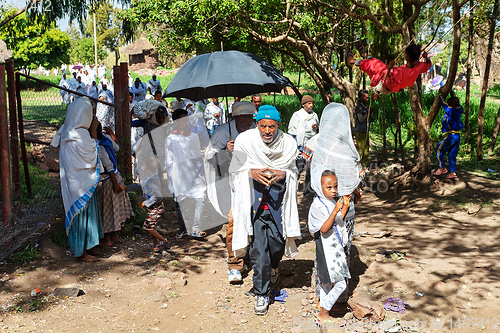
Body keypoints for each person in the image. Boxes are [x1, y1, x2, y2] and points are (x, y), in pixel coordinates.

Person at [229, 105, 301, 315]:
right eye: (263, 126)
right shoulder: (245, 141)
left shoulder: (287, 143)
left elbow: (293, 169)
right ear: (256, 124)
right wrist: (249, 173)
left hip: (278, 202)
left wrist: (283, 174)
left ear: (279, 125)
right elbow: (235, 172)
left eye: (271, 126)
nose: (267, 131)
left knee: (277, 243)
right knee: (260, 250)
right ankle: (262, 293)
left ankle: (272, 269)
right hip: (255, 203)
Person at [310, 102, 363, 316]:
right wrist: (354, 191)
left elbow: (305, 166)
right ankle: (338, 300)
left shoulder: (316, 143)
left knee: (322, 251)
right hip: (343, 205)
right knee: (343, 250)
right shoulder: (348, 147)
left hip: (321, 205)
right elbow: (358, 175)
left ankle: (320, 295)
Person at [204, 101, 256, 282]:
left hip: (253, 182)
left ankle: (249, 255)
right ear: (234, 117)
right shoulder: (222, 133)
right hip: (229, 184)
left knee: (253, 221)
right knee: (234, 220)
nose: (247, 120)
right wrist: (226, 151)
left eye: (250, 116)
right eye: (243, 117)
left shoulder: (256, 130)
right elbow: (210, 160)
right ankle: (234, 262)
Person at [50, 97, 103, 262]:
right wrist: (94, 131)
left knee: (82, 214)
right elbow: (95, 153)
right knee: (82, 215)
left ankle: (88, 247)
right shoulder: (81, 135)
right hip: (82, 185)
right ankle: (82, 252)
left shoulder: (66, 131)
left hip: (77, 185)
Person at [308, 169, 351, 325]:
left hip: (333, 248)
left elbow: (337, 220)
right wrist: (335, 210)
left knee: (327, 284)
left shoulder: (329, 201)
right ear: (319, 187)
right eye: (329, 187)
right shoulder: (318, 205)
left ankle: (322, 316)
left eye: (335, 187)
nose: (334, 191)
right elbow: (324, 228)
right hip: (326, 250)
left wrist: (344, 207)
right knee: (341, 283)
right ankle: (324, 311)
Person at [166, 109, 207, 238]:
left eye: (187, 120)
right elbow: (169, 161)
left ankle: (196, 228)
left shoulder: (194, 137)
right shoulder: (170, 139)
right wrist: (172, 179)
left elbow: (198, 157)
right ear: (176, 122)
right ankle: (183, 229)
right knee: (180, 202)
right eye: (183, 120)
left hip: (195, 174)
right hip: (179, 175)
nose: (186, 123)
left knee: (200, 198)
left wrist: (200, 173)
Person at [96, 123, 134, 246]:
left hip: (109, 180)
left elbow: (108, 167)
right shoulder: (107, 139)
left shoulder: (97, 146)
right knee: (116, 208)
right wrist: (112, 134)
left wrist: (115, 184)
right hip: (117, 176)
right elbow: (117, 148)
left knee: (107, 209)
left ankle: (106, 238)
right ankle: (115, 235)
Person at [347, 43, 431, 96]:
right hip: (391, 76)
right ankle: (365, 55)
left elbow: (386, 82)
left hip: (386, 86)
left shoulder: (401, 72)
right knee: (377, 63)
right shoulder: (418, 67)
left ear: (407, 56)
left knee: (373, 65)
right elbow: (428, 65)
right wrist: (426, 58)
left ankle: (351, 61)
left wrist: (390, 67)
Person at [288, 94, 319, 193]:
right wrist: (294, 146)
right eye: (309, 103)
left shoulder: (314, 115)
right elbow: (292, 131)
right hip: (300, 145)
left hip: (312, 146)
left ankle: (308, 188)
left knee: (310, 168)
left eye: (312, 103)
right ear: (303, 105)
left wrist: (316, 128)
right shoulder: (297, 115)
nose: (311, 105)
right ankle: (292, 184)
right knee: (299, 166)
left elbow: (318, 129)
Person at [434, 89, 463, 179]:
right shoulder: (459, 108)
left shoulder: (450, 110)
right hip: (457, 136)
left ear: (451, 105)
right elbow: (454, 101)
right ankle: (452, 173)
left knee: (438, 150)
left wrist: (439, 95)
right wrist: (451, 92)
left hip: (451, 136)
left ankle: (442, 168)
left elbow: (443, 103)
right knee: (452, 154)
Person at [353, 89, 370, 165]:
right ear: (362, 97)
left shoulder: (365, 106)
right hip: (360, 131)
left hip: (365, 131)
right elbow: (361, 119)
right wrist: (367, 114)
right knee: (361, 150)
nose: (367, 99)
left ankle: (365, 165)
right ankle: (359, 166)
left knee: (366, 150)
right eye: (366, 97)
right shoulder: (359, 107)